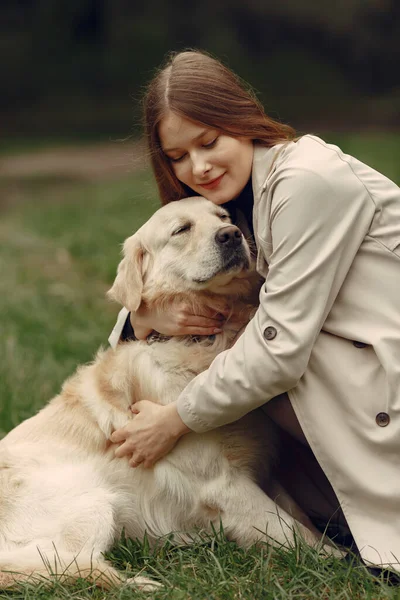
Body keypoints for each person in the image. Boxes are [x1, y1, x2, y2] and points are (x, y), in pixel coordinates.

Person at [108, 49, 400, 569]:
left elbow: (278, 348)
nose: (197, 166)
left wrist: (174, 420)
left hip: (382, 380)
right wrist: (141, 319)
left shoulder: (306, 182)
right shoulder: (236, 204)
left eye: (209, 141)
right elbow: (159, 286)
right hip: (356, 382)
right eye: (177, 156)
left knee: (241, 347)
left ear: (241, 119)